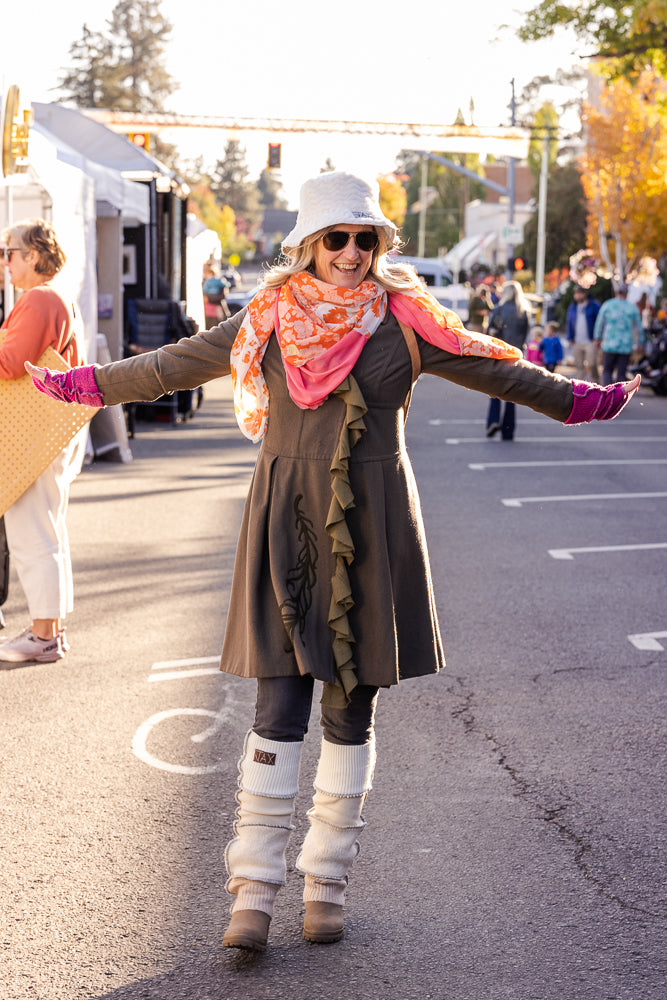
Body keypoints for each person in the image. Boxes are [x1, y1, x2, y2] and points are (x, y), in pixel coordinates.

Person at [26, 171, 641, 952]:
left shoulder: (408, 322)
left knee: (351, 707)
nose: (351, 253)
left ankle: (328, 880)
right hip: (286, 521)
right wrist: (83, 386)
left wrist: (581, 399)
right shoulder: (271, 317)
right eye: (336, 239)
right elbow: (172, 366)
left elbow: (496, 370)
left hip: (375, 525)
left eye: (364, 239)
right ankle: (252, 888)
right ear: (308, 247)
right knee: (277, 704)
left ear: (378, 245)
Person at [0, 218, 88, 664]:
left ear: (33, 256)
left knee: (32, 532)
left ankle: (42, 637)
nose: (5, 261)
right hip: (52, 429)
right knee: (48, 531)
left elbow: (11, 362)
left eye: (9, 252)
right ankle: (50, 630)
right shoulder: (56, 295)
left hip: (34, 435)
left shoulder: (37, 298)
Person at [485, 280, 530, 439]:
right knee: (512, 394)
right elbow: (525, 335)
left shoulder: (499, 310)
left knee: (495, 390)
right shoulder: (523, 311)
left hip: (500, 353)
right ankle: (508, 430)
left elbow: (490, 331)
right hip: (517, 355)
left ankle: (493, 420)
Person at [594, 283, 644, 385]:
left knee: (607, 371)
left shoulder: (607, 305)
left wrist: (597, 338)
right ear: (627, 293)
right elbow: (639, 327)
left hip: (609, 345)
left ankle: (607, 394)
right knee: (621, 374)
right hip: (625, 346)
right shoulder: (632, 308)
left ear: (616, 292)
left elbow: (599, 323)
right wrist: (640, 342)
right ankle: (619, 397)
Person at [566, 286, 600, 382]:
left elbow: (599, 322)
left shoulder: (594, 305)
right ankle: (580, 388)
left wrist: (598, 338)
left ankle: (597, 383)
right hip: (577, 340)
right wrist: (569, 337)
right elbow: (569, 322)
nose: (577, 296)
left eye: (579, 293)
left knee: (592, 364)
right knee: (579, 366)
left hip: (590, 340)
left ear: (585, 294)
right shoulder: (573, 306)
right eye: (575, 294)